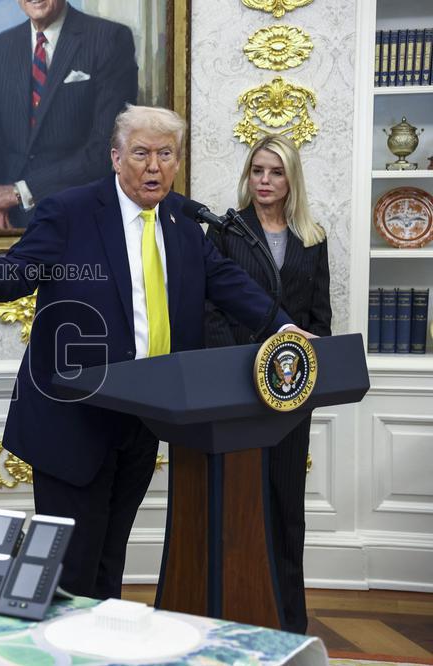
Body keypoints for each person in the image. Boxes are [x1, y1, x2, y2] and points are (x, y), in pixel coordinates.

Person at [0, 105, 316, 600]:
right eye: (141, 153)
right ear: (116, 158)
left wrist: (283, 328)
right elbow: (23, 270)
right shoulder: (70, 211)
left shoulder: (182, 219)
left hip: (142, 418)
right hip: (73, 420)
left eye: (165, 154)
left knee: (110, 560)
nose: (154, 166)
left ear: (177, 161)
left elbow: (227, 282)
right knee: (67, 571)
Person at [204, 133, 331, 633]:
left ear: (291, 178)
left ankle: (289, 623)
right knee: (237, 505)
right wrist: (229, 368)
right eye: (257, 171)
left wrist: (302, 373)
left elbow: (319, 319)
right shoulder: (227, 233)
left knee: (285, 509)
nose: (265, 181)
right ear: (247, 175)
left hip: (290, 395)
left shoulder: (313, 237)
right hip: (236, 393)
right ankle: (234, 613)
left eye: (275, 172)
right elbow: (210, 310)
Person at [0, 0, 137, 231]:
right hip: (0, 192)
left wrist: (18, 192)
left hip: (69, 195)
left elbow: (103, 150)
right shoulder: (0, 46)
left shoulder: (110, 39)